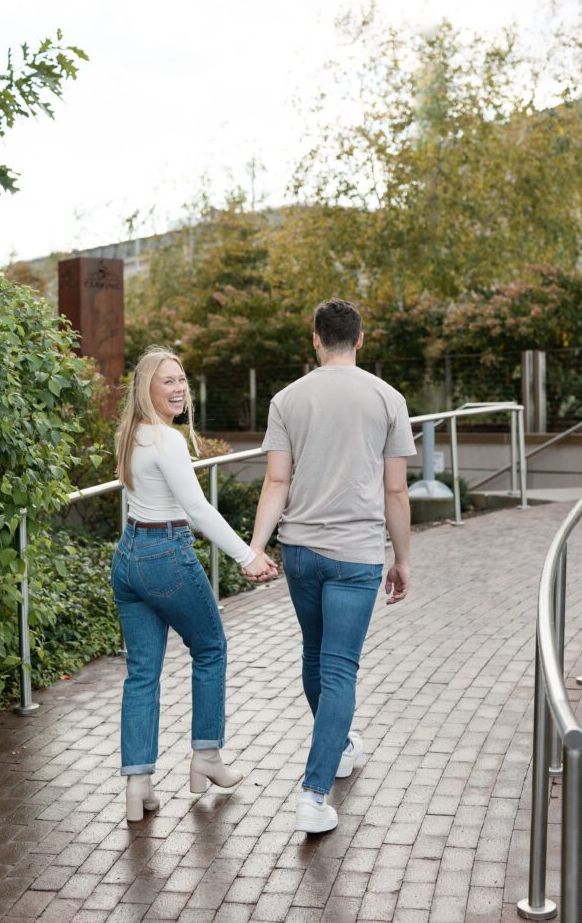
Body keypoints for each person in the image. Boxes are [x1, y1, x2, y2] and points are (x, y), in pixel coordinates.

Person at [246, 298, 415, 833]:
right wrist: (402, 558)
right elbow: (395, 489)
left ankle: (339, 747)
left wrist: (256, 546)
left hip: (301, 553)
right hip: (358, 555)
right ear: (360, 339)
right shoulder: (388, 398)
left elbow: (277, 482)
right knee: (339, 669)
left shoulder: (287, 399)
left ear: (315, 338)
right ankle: (314, 796)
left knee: (316, 659)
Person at [112, 345, 277, 822]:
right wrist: (248, 556)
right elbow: (197, 509)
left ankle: (138, 784)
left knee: (142, 672)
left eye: (182, 378)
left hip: (128, 557)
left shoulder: (132, 434)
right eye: (168, 380)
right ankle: (206, 757)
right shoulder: (167, 440)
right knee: (210, 648)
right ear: (148, 389)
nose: (179, 387)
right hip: (166, 554)